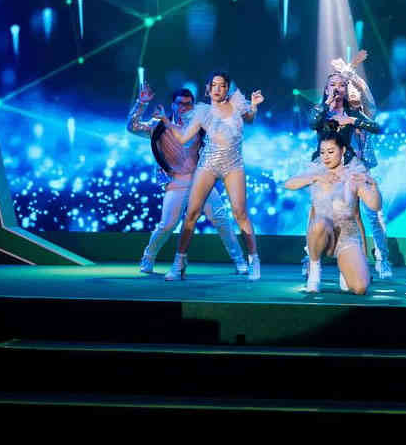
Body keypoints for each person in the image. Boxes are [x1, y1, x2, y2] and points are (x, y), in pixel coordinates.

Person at [126, 83, 248, 275]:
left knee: (221, 220)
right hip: (176, 181)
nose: (183, 107)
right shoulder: (158, 125)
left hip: (201, 179)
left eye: (188, 104)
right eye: (179, 103)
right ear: (173, 105)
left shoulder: (202, 124)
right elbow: (132, 127)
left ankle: (240, 261)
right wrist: (141, 103)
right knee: (167, 225)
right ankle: (148, 258)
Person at [159, 71, 265, 281]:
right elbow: (183, 139)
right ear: (208, 89)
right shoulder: (202, 112)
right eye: (214, 85)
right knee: (192, 213)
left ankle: (254, 260)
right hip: (208, 164)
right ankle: (179, 263)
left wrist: (254, 105)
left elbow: (250, 119)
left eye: (222, 85)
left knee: (240, 213)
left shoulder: (236, 104)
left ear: (227, 89)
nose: (218, 89)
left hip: (233, 165)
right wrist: (166, 121)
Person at [305, 49, 392, 278]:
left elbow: (377, 127)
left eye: (342, 86)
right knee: (316, 211)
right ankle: (311, 259)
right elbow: (312, 123)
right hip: (324, 167)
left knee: (358, 214)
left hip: (350, 166)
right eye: (333, 85)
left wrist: (351, 119)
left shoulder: (354, 112)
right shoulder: (321, 111)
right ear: (326, 89)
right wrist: (327, 103)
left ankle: (369, 260)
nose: (338, 89)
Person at [284, 131, 381, 295]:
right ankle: (315, 270)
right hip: (323, 234)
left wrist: (374, 186)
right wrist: (315, 178)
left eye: (330, 152)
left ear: (342, 150)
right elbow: (288, 184)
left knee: (360, 288)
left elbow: (375, 205)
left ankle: (345, 269)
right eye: (322, 152)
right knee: (319, 222)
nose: (326, 157)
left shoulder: (353, 175)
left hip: (347, 235)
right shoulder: (316, 172)